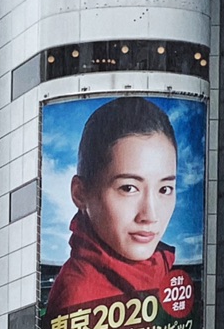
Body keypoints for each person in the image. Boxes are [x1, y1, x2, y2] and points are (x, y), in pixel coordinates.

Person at [46, 96, 182, 316]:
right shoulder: (79, 297)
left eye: (164, 189)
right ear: (80, 193)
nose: (150, 215)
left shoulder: (161, 271)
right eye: (129, 188)